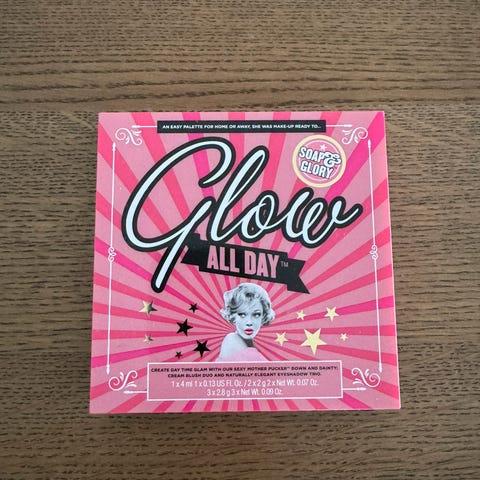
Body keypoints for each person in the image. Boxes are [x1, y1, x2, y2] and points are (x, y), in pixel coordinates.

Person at [217, 283, 274, 361]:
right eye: (242, 315)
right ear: (233, 316)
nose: (249, 322)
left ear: (263, 316)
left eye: (256, 314)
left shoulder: (250, 345)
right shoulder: (231, 340)